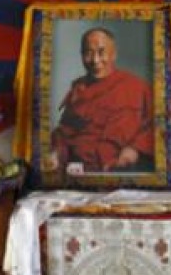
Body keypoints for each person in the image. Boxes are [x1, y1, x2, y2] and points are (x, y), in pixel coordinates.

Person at [48, 27, 153, 173]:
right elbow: (65, 133)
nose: (95, 60)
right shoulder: (79, 89)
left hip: (121, 170)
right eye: (88, 53)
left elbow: (157, 126)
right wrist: (56, 154)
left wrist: (134, 150)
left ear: (113, 54)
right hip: (80, 172)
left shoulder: (136, 87)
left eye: (101, 52)